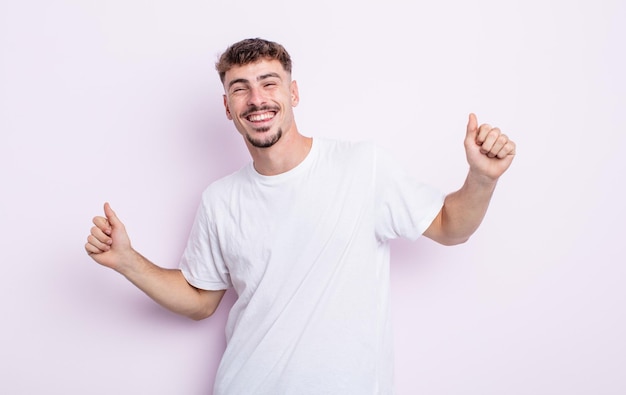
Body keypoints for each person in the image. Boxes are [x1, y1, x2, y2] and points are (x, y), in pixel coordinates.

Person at [85, 38, 516, 394]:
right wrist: (128, 261)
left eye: (268, 83)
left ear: (293, 93)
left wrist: (482, 178)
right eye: (240, 88)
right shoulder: (220, 200)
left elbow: (450, 227)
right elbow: (200, 301)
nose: (256, 99)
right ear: (227, 105)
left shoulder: (362, 166)